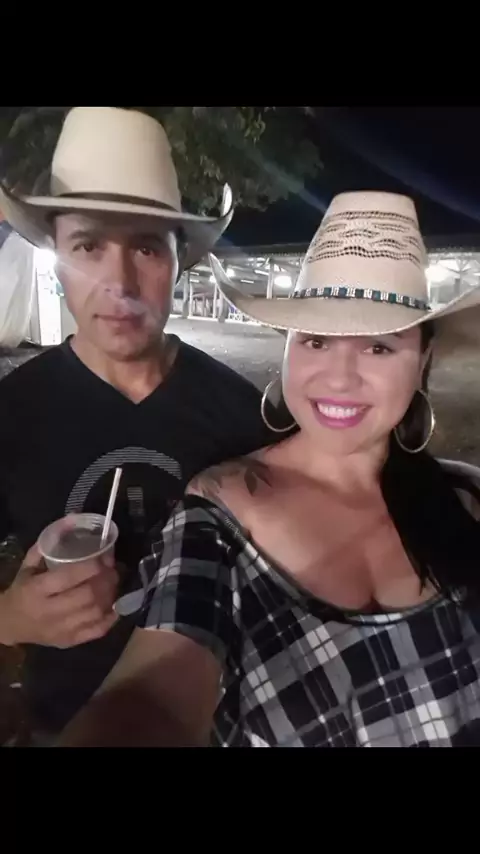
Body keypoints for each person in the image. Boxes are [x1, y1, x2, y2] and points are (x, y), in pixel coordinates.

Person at [56, 190, 480, 748]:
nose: (339, 378)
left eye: (379, 347)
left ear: (423, 359)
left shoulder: (465, 498)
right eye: (316, 341)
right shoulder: (221, 512)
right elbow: (153, 698)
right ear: (287, 348)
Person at [0, 106, 280, 741]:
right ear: (55, 257)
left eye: (148, 247)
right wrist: (11, 618)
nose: (119, 283)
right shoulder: (12, 414)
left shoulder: (243, 416)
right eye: (88, 246)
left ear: (181, 261)